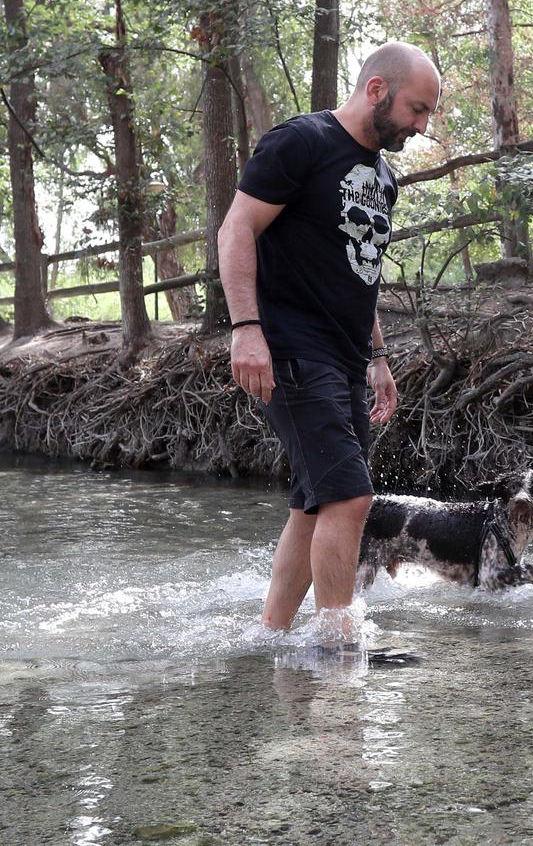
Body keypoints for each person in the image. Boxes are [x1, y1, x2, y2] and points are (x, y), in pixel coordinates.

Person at [217, 41, 441, 643]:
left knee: (312, 504)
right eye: (417, 110)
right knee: (350, 497)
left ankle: (271, 635)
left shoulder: (383, 180)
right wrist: (246, 330)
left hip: (345, 360)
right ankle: (338, 645)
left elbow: (358, 273)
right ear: (376, 90)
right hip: (290, 350)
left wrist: (378, 356)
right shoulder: (301, 143)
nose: (421, 127)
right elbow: (236, 228)